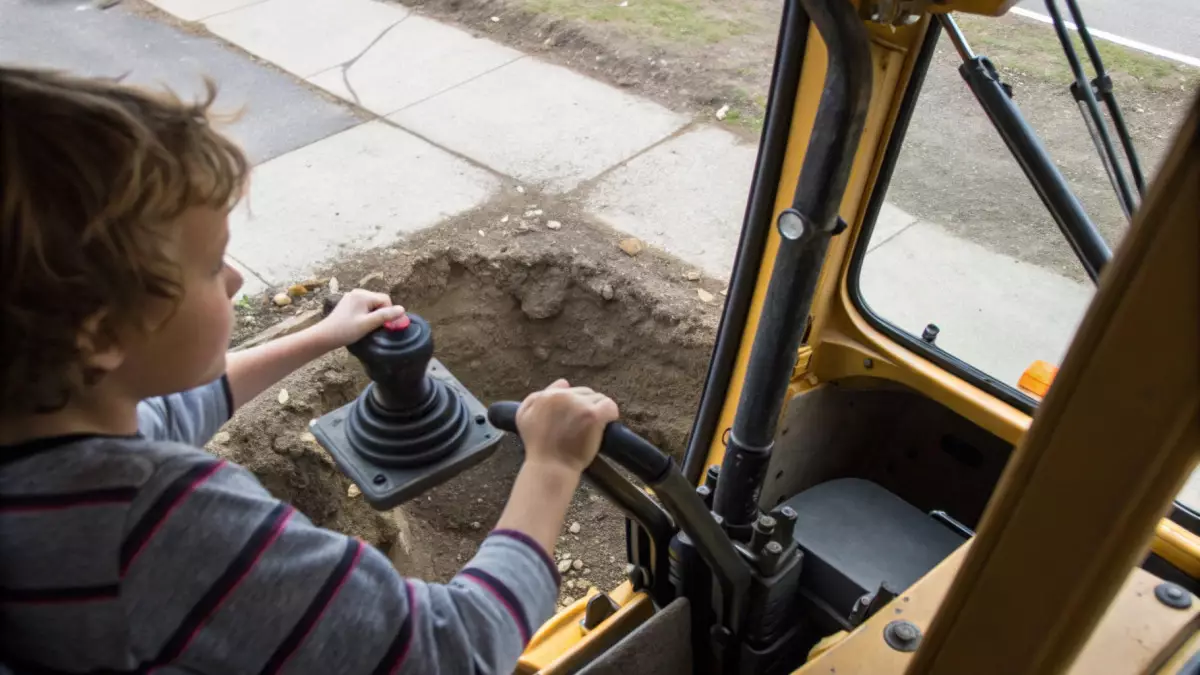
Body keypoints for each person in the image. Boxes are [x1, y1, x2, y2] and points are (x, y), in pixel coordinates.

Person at [0, 66, 620, 674]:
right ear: (103, 334)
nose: (236, 280)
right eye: (213, 265)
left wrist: (321, 337)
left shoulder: (45, 452)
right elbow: (453, 651)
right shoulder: (156, 528)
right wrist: (551, 464)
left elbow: (164, 413)